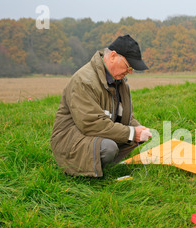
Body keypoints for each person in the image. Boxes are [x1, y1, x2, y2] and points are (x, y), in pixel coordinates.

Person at [51, 34, 152, 177]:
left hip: (92, 134)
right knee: (109, 147)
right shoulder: (84, 81)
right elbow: (91, 124)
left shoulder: (120, 83)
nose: (129, 72)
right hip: (70, 140)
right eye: (128, 67)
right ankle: (78, 171)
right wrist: (132, 133)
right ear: (113, 56)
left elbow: (126, 117)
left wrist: (139, 130)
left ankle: (100, 168)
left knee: (134, 135)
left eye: (131, 70)